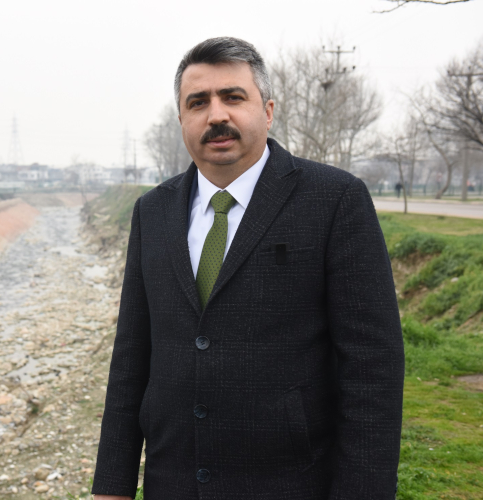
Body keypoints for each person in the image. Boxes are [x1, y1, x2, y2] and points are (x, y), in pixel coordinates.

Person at [92, 37, 404, 500]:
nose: (216, 115)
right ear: (182, 120)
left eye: (233, 97)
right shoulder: (152, 211)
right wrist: (111, 486)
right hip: (173, 482)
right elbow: (131, 359)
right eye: (198, 102)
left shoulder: (334, 200)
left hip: (290, 484)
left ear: (268, 111)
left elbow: (372, 367)